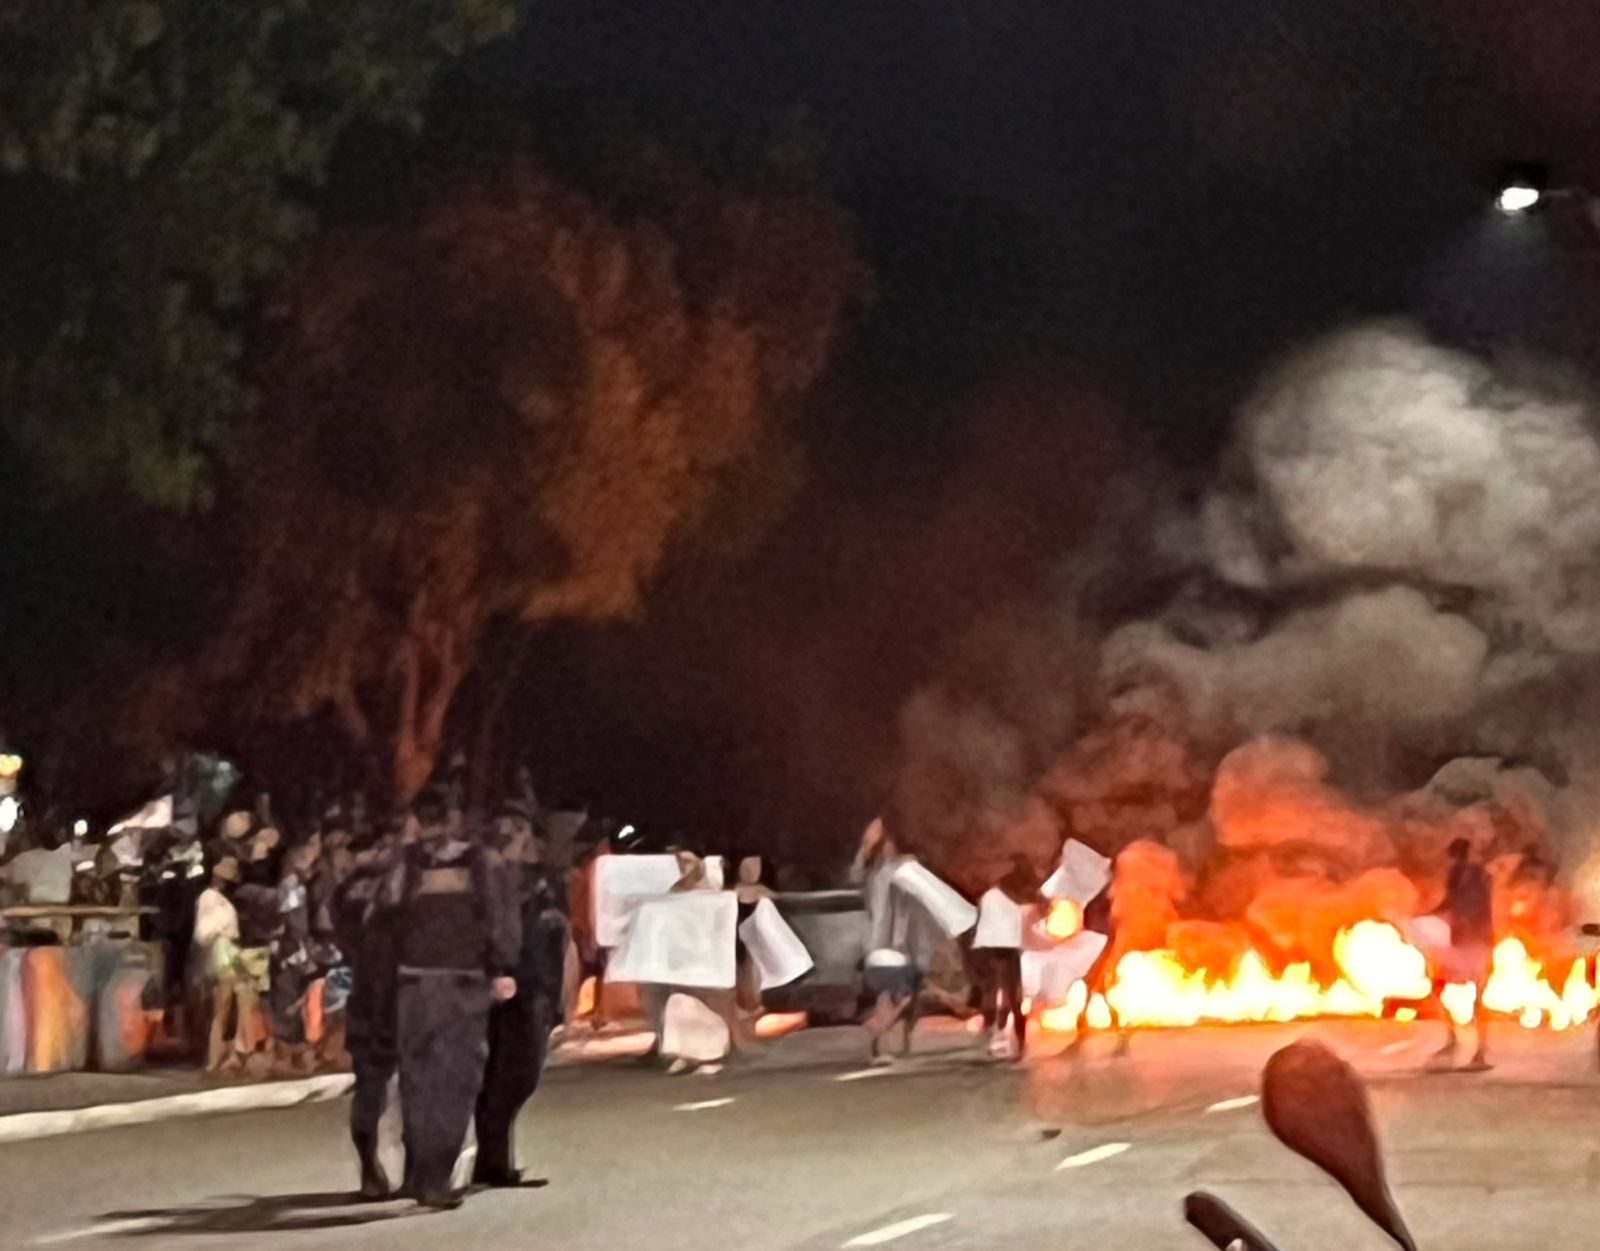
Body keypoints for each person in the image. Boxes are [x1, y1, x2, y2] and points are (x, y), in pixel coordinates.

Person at [387, 787, 521, 1208]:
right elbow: (501, 918)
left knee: (418, 1078)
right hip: (461, 984)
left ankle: (419, 1170)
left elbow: (376, 920)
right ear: (455, 818)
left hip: (412, 985)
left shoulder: (403, 864)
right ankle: (434, 1175)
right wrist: (502, 968)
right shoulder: (481, 863)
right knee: (455, 1080)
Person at [473, 801, 568, 1187]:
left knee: (514, 1075)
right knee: (511, 1075)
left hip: (537, 983)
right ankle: (492, 1161)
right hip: (513, 986)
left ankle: (494, 1160)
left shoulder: (533, 878)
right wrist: (496, 973)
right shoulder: (490, 876)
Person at [335, 821, 404, 1200]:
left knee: (370, 1087)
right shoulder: (394, 890)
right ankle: (409, 1168)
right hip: (396, 995)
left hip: (365, 996)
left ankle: (370, 1169)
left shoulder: (348, 890)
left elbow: (344, 937)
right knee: (410, 1084)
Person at [1429, 837, 1494, 1071]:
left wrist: (1426, 916)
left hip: (1464, 943)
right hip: (1483, 942)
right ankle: (1479, 1052)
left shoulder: (1457, 873)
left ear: (1453, 855)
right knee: (1478, 999)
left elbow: (1450, 902)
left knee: (1437, 988)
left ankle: (1453, 1039)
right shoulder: (1483, 875)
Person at [970, 857, 1036, 1061]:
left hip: (991, 952)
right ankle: (1012, 1045)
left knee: (999, 998)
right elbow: (1024, 928)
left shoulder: (991, 897)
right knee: (1010, 999)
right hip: (1001, 952)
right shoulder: (1009, 901)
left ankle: (997, 1041)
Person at [193, 857, 252, 1072]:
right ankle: (215, 1058)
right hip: (221, 950)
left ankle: (224, 1055)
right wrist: (221, 926)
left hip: (227, 950)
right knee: (222, 1006)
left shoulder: (222, 900)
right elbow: (203, 931)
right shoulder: (210, 898)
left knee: (230, 1005)